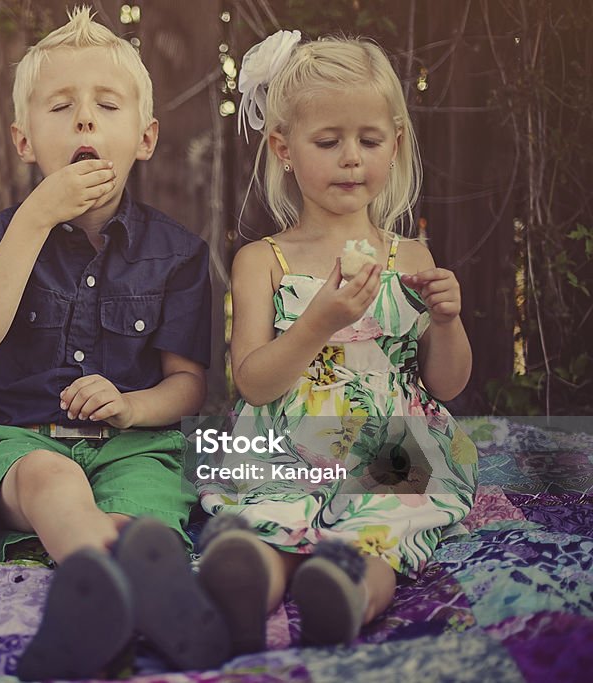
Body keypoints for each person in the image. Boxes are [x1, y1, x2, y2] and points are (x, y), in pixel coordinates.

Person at [0, 7, 227, 680]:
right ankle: (102, 579)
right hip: (24, 441)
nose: (83, 119)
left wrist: (131, 407)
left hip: (134, 443)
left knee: (146, 505)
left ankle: (120, 594)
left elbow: (190, 386)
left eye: (106, 105)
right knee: (54, 480)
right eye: (60, 106)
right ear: (24, 142)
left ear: (145, 137)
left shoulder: (179, 255)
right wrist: (39, 214)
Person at [196, 31, 478, 655]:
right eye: (328, 142)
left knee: (382, 528)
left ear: (396, 145)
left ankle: (348, 593)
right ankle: (249, 589)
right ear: (284, 149)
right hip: (288, 441)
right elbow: (253, 380)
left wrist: (449, 321)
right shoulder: (262, 260)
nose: (351, 158)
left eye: (369, 140)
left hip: (390, 442)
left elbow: (445, 384)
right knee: (269, 524)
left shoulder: (411, 256)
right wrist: (318, 321)